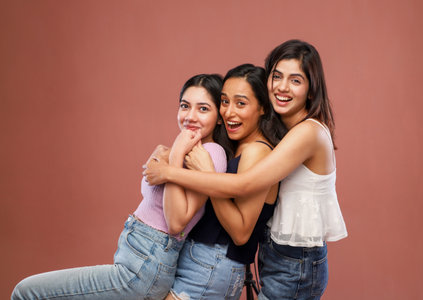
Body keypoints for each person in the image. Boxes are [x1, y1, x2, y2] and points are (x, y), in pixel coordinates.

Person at [144, 40, 348, 300]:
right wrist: (171, 152)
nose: (283, 87)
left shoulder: (308, 132)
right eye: (276, 76)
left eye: (295, 80)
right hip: (275, 257)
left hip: (297, 264)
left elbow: (244, 186)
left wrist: (171, 172)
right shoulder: (278, 133)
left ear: (311, 89)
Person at [11, 74, 230, 300]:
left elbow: (176, 222)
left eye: (203, 109)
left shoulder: (210, 153)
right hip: (139, 261)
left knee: (26, 292)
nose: (190, 116)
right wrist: (168, 154)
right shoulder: (186, 148)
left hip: (144, 266)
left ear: (219, 118)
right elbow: (151, 183)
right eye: (185, 106)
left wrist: (173, 157)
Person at [158, 64, 286, 300]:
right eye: (225, 102)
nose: (228, 112)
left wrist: (208, 174)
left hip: (214, 263)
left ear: (263, 108)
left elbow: (241, 233)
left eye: (241, 103)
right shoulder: (238, 147)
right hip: (202, 259)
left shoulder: (257, 152)